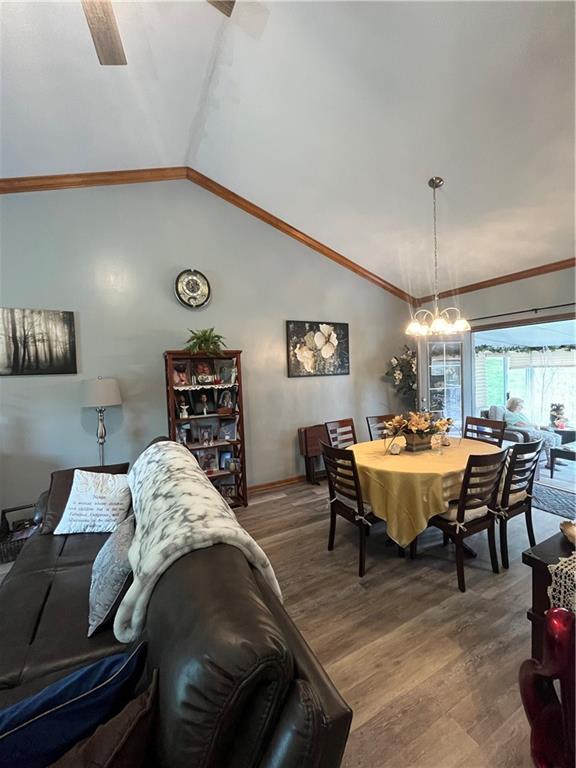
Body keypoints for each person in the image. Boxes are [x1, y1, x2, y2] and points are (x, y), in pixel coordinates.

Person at [505, 397, 561, 467]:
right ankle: (549, 462)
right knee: (550, 438)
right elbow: (520, 424)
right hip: (526, 433)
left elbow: (527, 423)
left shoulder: (520, 414)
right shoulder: (509, 414)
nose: (522, 407)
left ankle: (555, 458)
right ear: (513, 405)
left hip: (532, 430)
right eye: (520, 405)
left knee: (557, 436)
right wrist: (534, 425)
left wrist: (537, 426)